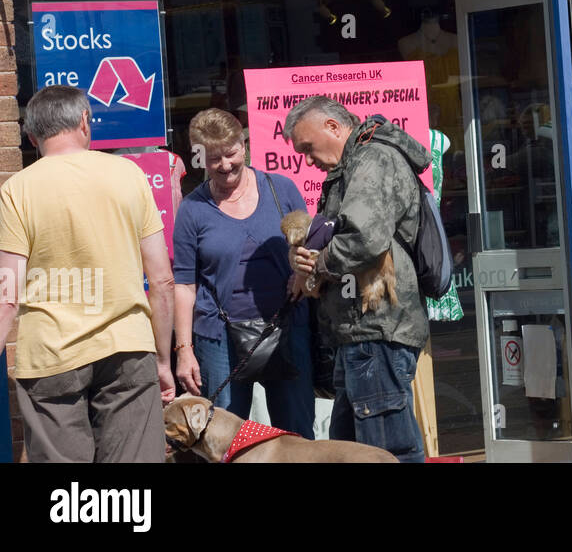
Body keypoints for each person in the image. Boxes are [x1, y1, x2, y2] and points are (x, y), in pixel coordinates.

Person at [0, 86, 174, 462]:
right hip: (127, 345)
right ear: (84, 121)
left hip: (51, 353)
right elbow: (161, 280)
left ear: (32, 136)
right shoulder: (129, 174)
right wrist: (163, 359)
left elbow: (8, 294)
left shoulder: (17, 189)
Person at [287, 96, 431, 462]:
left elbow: (363, 238)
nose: (307, 160)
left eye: (308, 147)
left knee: (383, 451)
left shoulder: (372, 159)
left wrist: (318, 266)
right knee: (350, 448)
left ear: (333, 127)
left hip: (376, 327)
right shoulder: (354, 164)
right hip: (359, 331)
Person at [172, 108, 315, 438]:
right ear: (199, 158)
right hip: (219, 337)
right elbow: (183, 283)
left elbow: (308, 248)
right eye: (213, 159)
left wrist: (302, 274)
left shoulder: (281, 189)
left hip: (286, 327)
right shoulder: (193, 209)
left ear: (244, 144)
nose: (224, 165)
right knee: (223, 440)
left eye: (230, 153)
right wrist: (184, 350)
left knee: (296, 437)